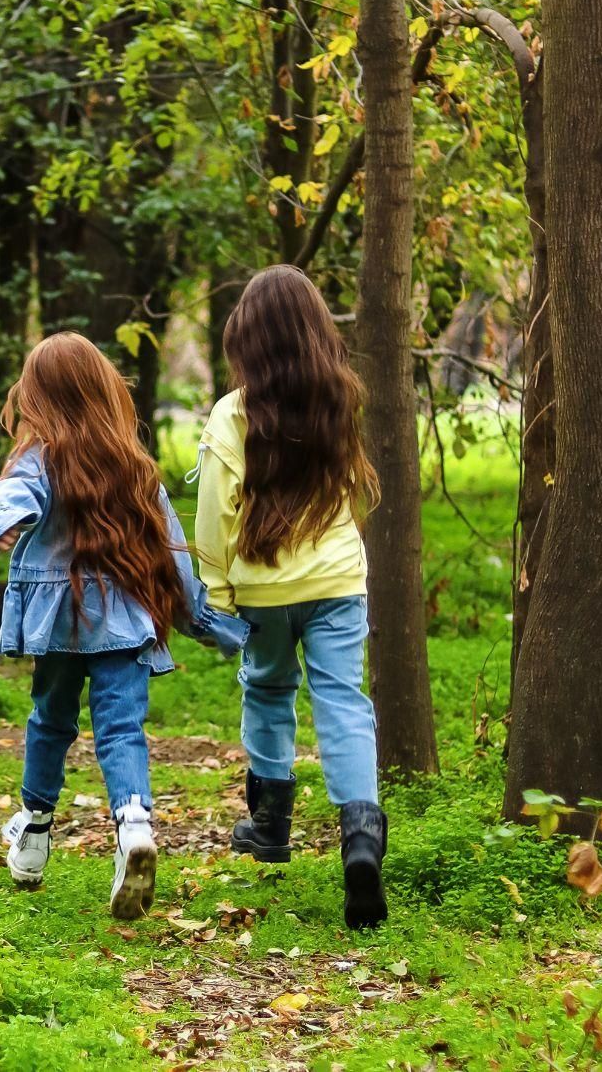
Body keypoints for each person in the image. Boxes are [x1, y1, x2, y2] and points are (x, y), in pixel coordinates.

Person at [0, 332, 248, 920]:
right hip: (126, 624)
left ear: (39, 397)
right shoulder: (133, 466)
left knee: (49, 721)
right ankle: (133, 828)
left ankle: (36, 834)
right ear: (103, 390)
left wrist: (3, 522)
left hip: (62, 623)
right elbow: (174, 561)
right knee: (121, 731)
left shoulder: (39, 458)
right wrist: (212, 624)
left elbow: (16, 492)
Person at [192, 265, 387, 928]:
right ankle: (360, 835)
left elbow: (214, 509)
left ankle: (270, 825)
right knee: (343, 703)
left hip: (263, 586)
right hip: (336, 583)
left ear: (246, 337)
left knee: (269, 690)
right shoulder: (340, 399)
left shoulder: (233, 414)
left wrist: (215, 589)